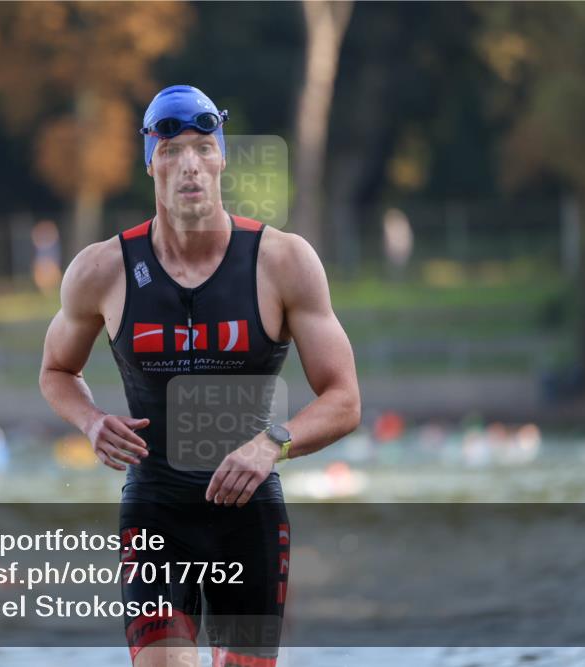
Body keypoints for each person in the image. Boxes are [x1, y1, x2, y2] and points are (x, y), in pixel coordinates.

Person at [40, 84, 361, 667]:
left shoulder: (282, 262)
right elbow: (57, 370)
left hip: (248, 515)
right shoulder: (101, 269)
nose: (188, 165)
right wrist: (89, 421)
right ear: (150, 163)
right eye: (171, 151)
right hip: (156, 508)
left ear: (221, 157)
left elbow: (344, 399)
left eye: (201, 148)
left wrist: (272, 444)